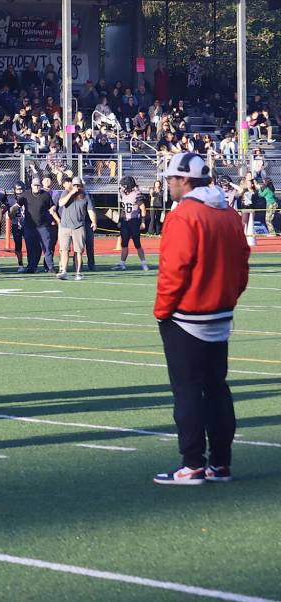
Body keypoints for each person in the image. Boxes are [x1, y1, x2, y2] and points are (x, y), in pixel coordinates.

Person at [153, 153, 250, 485]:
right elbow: (242, 265)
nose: (168, 184)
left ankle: (192, 463)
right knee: (217, 389)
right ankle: (220, 462)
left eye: (171, 179)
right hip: (220, 313)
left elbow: (173, 271)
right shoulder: (229, 213)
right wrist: (228, 298)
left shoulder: (184, 216)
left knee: (188, 391)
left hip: (187, 316)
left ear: (184, 180)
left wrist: (162, 311)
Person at [53, 176, 96, 281]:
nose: (76, 187)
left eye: (78, 185)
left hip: (78, 226)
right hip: (65, 226)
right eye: (75, 185)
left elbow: (90, 210)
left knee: (78, 251)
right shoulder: (66, 192)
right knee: (64, 250)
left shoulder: (85, 196)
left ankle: (78, 272)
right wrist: (71, 193)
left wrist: (94, 221)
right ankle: (64, 271)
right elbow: (61, 203)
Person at [113, 176, 150, 271]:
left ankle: (144, 263)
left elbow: (143, 209)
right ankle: (122, 264)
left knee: (137, 244)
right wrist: (120, 221)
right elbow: (123, 209)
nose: (121, 187)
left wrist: (142, 222)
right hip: (125, 221)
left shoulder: (136, 194)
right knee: (124, 244)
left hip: (134, 221)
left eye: (123, 186)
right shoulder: (123, 195)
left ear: (127, 186)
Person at [20, 177, 55, 273]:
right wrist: (11, 211)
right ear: (31, 185)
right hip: (29, 226)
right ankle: (31, 267)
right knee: (31, 248)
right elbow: (17, 205)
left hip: (43, 226)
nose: (37, 187)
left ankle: (50, 267)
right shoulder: (26, 194)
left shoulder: (45, 195)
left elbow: (52, 206)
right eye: (35, 185)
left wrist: (54, 212)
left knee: (47, 247)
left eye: (38, 185)